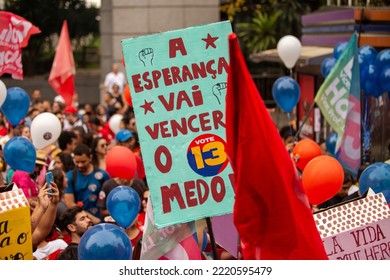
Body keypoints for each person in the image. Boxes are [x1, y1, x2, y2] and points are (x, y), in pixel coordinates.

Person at [64, 144, 110, 224]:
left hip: (102, 222)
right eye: (77, 162)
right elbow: (70, 203)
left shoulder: (102, 175)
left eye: (83, 162)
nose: (80, 165)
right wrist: (92, 219)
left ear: (90, 158)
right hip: (82, 224)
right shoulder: (70, 176)